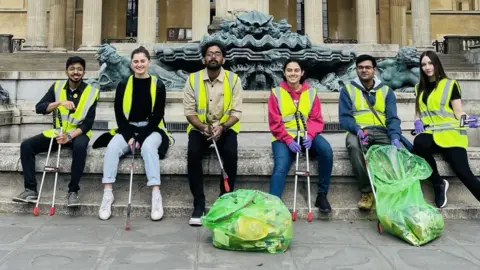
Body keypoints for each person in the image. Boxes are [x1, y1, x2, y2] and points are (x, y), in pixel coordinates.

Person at [12, 56, 99, 206]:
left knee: (79, 148)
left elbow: (88, 124)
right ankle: (31, 190)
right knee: (26, 146)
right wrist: (59, 103)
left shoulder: (92, 92)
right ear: (66, 71)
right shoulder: (57, 87)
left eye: (79, 69)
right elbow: (39, 108)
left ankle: (73, 191)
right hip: (57, 131)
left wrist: (69, 136)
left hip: (78, 133)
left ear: (84, 72)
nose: (76, 72)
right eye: (72, 69)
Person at [98, 46, 167, 221]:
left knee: (148, 148)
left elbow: (157, 116)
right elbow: (119, 115)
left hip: (151, 129)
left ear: (148, 62)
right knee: (113, 147)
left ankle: (156, 194)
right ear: (131, 63)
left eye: (142, 61)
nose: (139, 64)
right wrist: (130, 136)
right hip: (128, 128)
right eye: (136, 61)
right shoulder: (124, 84)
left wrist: (141, 139)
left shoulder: (158, 85)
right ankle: (107, 194)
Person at [183, 41, 243, 226]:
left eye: (217, 53)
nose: (213, 56)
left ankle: (223, 201)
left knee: (231, 155)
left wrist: (222, 127)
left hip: (225, 128)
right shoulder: (192, 79)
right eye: (209, 54)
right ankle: (199, 203)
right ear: (203, 59)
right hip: (200, 128)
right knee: (193, 155)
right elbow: (189, 112)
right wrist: (204, 128)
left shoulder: (234, 80)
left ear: (223, 59)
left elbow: (236, 112)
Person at [412, 50, 480, 208]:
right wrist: (417, 121)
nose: (427, 67)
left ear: (437, 64)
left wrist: (467, 119)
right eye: (423, 64)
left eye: (430, 63)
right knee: (419, 143)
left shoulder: (451, 84)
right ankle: (438, 183)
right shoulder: (418, 87)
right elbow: (419, 111)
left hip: (451, 134)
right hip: (431, 133)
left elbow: (458, 111)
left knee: (463, 171)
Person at [339, 54, 405, 211]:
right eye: (360, 68)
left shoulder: (387, 91)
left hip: (382, 131)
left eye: (367, 67)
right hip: (359, 131)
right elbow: (345, 118)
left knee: (397, 153)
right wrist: (357, 130)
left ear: (374, 70)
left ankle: (392, 192)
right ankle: (366, 192)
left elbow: (393, 118)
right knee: (354, 147)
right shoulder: (347, 90)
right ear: (356, 70)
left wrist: (395, 137)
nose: (364, 70)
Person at [268, 59, 333, 213]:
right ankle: (272, 204)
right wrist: (288, 140)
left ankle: (322, 195)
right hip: (283, 137)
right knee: (280, 166)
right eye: (289, 70)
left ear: (302, 73)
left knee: (326, 151)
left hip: (306, 135)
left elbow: (316, 119)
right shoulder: (276, 93)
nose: (293, 73)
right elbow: (274, 122)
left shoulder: (311, 93)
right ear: (284, 73)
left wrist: (310, 135)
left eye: (296, 70)